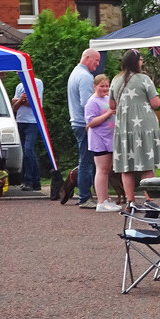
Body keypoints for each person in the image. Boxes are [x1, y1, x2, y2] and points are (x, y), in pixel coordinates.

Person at [110, 49, 160, 207]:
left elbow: (112, 105)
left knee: (127, 166)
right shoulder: (144, 78)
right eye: (140, 60)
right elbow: (156, 103)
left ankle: (131, 200)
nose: (142, 62)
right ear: (136, 62)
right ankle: (149, 199)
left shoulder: (115, 80)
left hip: (124, 127)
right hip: (144, 126)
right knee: (146, 163)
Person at [67, 48, 101, 209]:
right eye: (96, 60)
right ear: (87, 58)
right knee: (87, 162)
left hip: (77, 122)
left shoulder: (75, 73)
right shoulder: (85, 77)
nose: (98, 64)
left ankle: (92, 195)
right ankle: (85, 197)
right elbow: (87, 103)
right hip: (85, 124)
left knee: (88, 161)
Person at [84, 75, 120, 212]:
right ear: (95, 86)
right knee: (102, 169)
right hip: (99, 140)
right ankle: (101, 201)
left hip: (110, 138)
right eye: (102, 86)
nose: (105, 89)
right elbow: (90, 122)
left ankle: (105, 198)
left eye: (107, 86)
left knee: (107, 169)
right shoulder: (92, 102)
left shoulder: (107, 99)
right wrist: (108, 113)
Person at [12, 75, 44, 191]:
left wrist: (21, 101)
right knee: (28, 152)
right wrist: (22, 99)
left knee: (28, 149)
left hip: (32, 121)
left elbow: (35, 103)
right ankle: (35, 181)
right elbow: (14, 106)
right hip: (21, 120)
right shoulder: (19, 86)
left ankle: (29, 180)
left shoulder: (37, 83)